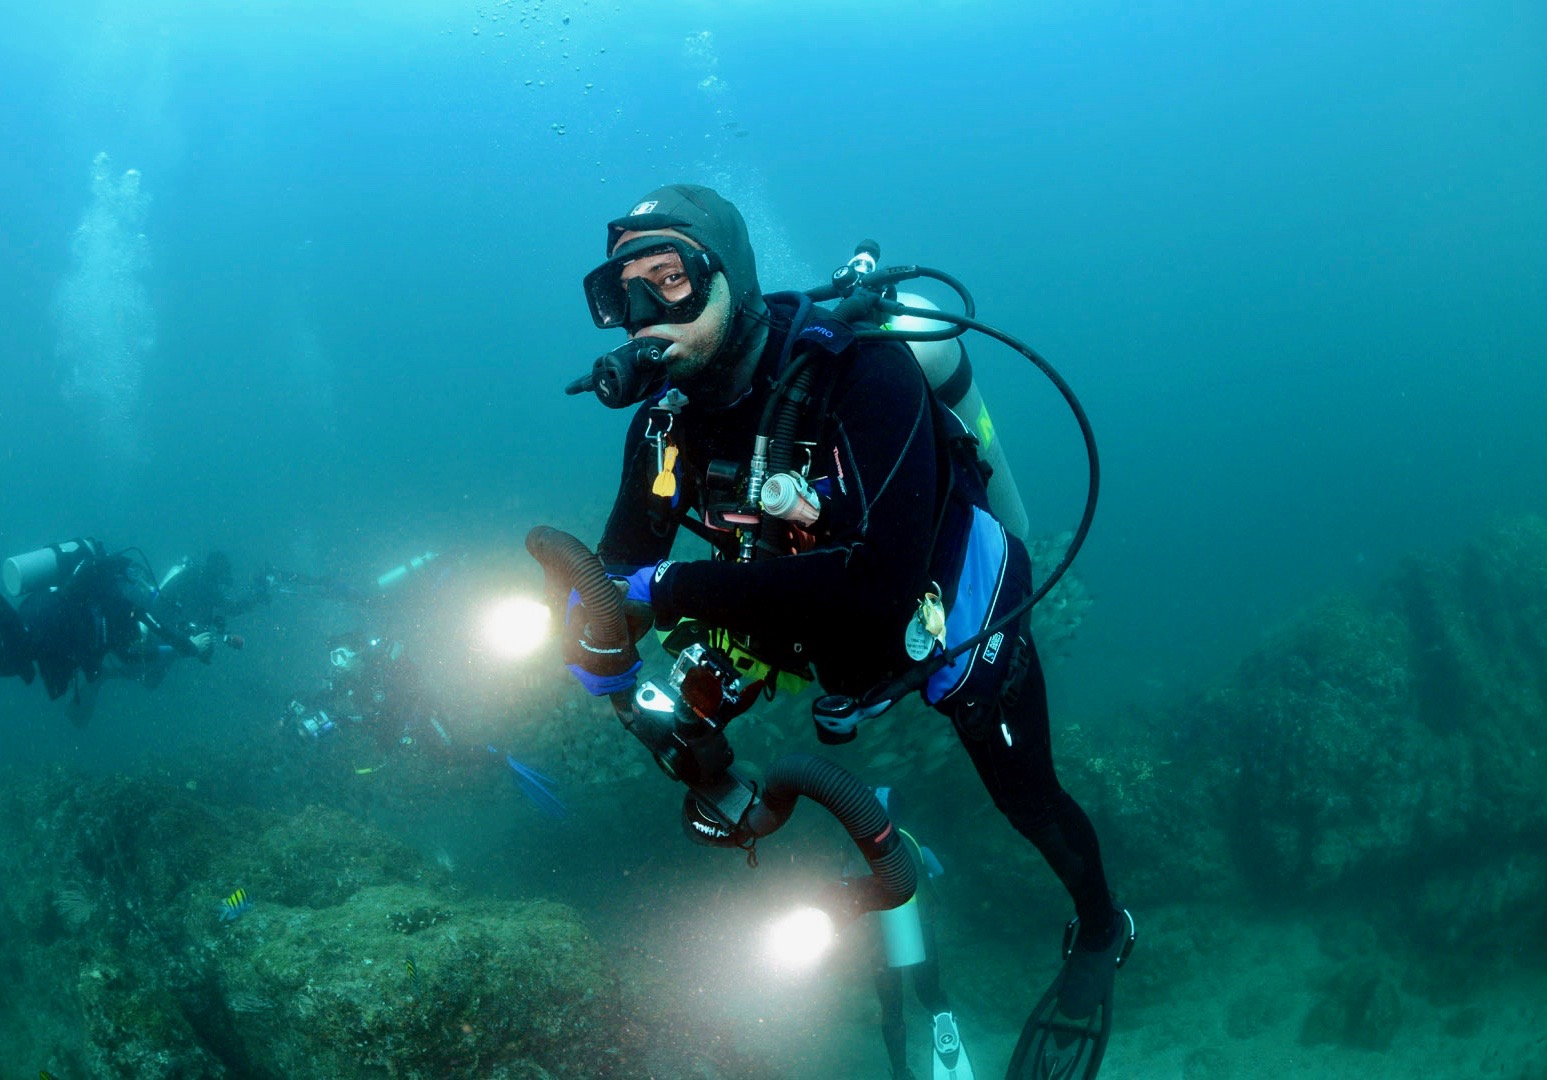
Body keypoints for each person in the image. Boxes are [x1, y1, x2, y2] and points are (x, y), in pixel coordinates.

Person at [562, 184, 1134, 1079]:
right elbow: (614, 568)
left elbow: (876, 585)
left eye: (667, 280)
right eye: (619, 293)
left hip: (942, 603)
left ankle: (1102, 928)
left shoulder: (864, 373)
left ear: (727, 276)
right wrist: (600, 646)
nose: (641, 315)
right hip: (789, 616)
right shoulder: (664, 421)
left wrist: (664, 588)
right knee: (684, 696)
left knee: (1026, 794)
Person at [3, 538, 215, 724]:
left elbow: (129, 655)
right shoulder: (124, 600)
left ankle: (21, 650)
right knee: (19, 652)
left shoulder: (105, 596)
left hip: (43, 619)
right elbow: (156, 629)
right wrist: (191, 647)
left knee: (20, 658)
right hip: (50, 624)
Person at [847, 787, 973, 1080]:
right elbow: (938, 872)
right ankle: (942, 1020)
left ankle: (902, 1072)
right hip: (918, 926)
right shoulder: (912, 841)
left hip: (880, 938)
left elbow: (847, 887)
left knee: (892, 1010)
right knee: (929, 992)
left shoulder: (858, 847)